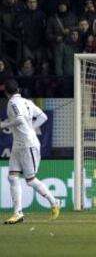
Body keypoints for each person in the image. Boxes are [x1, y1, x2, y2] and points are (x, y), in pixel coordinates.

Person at [1, 80, 60, 224]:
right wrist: (32, 127)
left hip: (28, 145)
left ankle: (54, 202)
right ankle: (18, 213)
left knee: (30, 180)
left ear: (6, 92)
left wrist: (4, 125)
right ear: (18, 89)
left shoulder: (12, 103)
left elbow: (20, 119)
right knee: (12, 177)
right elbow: (43, 117)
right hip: (18, 145)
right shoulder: (27, 102)